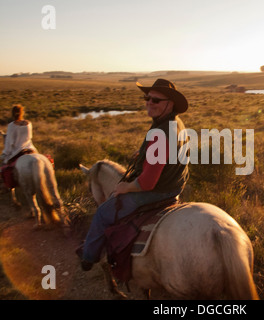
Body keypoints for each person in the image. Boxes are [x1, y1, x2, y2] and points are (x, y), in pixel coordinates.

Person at [78, 79, 190, 270]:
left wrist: (126, 187)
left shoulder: (160, 133)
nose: (149, 103)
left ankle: (88, 257)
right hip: (175, 187)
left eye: (155, 100)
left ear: (169, 104)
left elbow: (147, 182)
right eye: (147, 98)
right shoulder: (175, 123)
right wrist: (145, 154)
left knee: (103, 213)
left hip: (157, 191)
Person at [1, 105, 38, 190]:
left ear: (12, 114)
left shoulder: (12, 125)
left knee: (4, 167)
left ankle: (6, 187)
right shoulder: (28, 124)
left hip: (17, 151)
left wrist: (5, 153)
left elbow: (9, 142)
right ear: (22, 112)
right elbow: (30, 137)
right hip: (31, 149)